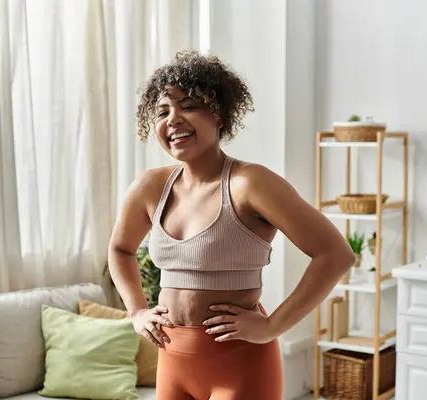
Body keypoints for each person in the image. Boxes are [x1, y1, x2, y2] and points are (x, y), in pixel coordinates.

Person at [108, 50, 355, 400]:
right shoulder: (150, 187)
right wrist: (136, 311)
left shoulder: (250, 183)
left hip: (240, 363)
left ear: (219, 114)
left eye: (188, 106)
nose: (173, 119)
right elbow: (120, 250)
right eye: (163, 111)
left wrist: (272, 326)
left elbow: (335, 254)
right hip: (173, 362)